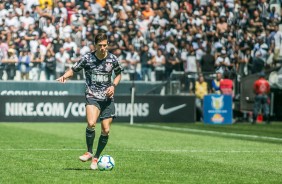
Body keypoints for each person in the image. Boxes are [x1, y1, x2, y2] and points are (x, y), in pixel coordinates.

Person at [56, 32, 123, 170]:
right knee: (91, 123)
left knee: (106, 129)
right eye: (100, 45)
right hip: (92, 95)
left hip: (107, 98)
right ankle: (89, 151)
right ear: (95, 45)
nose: (103, 48)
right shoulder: (87, 58)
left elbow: (118, 74)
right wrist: (65, 76)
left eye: (105, 45)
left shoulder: (113, 59)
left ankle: (96, 157)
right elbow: (73, 70)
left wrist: (113, 86)